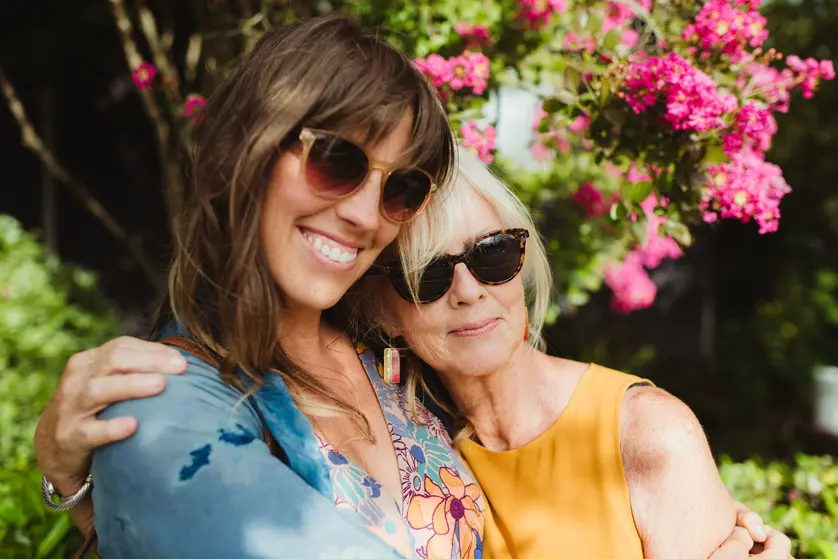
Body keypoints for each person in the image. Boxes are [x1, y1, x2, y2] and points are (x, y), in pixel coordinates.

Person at [32, 16, 791, 559]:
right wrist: (78, 475)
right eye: (337, 158)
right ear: (249, 150)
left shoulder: (395, 374)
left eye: (402, 189)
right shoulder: (166, 392)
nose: (366, 211)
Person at [352, 148, 795, 559]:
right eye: (424, 275)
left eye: (493, 254)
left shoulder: (647, 432)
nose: (468, 291)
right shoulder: (413, 453)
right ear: (382, 311)